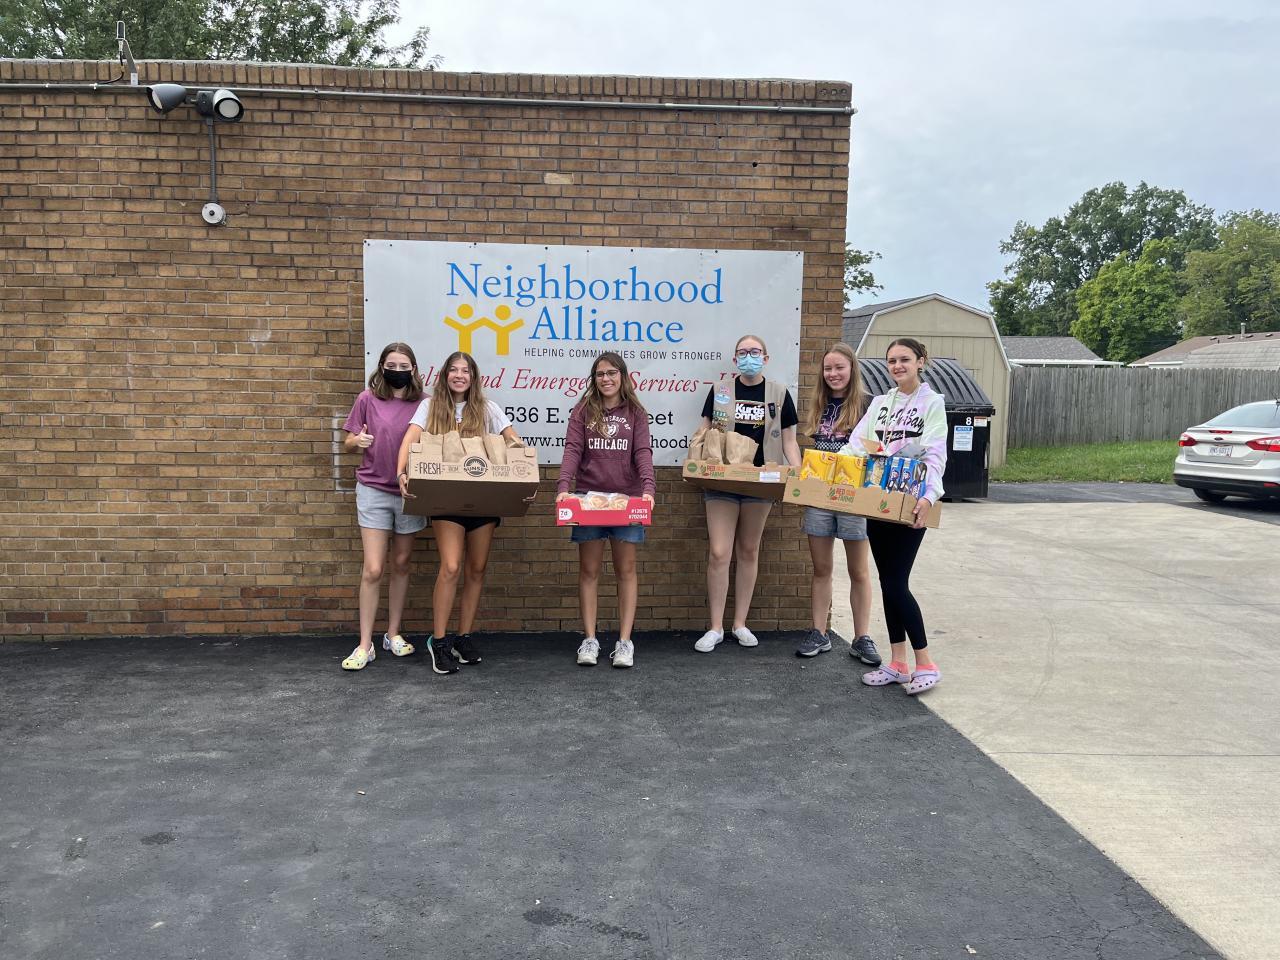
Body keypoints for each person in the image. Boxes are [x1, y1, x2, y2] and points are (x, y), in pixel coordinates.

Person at [397, 352, 521, 675]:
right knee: (451, 566)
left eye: (466, 371)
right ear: (445, 375)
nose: (459, 375)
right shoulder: (430, 406)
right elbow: (409, 439)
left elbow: (513, 442)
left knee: (476, 569)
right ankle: (438, 641)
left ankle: (463, 638)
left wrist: (524, 475)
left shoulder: (488, 408)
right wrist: (401, 473)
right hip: (446, 500)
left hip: (483, 500)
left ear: (473, 377)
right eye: (453, 370)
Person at [839, 337, 948, 694]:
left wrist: (929, 497)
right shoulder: (881, 404)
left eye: (904, 359)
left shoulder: (932, 403)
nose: (897, 366)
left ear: (921, 362)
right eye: (892, 361)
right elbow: (856, 444)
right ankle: (898, 663)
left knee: (897, 582)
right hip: (877, 502)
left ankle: (926, 663)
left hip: (911, 503)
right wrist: (832, 466)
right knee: (887, 582)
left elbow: (935, 454)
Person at [694, 334, 803, 653]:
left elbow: (789, 442)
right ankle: (715, 627)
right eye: (742, 352)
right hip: (723, 481)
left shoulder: (779, 393)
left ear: (766, 358)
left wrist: (798, 475)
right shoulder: (721, 391)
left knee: (749, 550)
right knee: (719, 552)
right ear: (735, 359)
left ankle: (739, 624)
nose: (748, 357)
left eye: (755, 352)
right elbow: (703, 432)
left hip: (761, 481)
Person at [556, 352, 656, 669]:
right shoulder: (583, 410)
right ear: (594, 379)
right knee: (589, 571)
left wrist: (649, 489)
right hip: (589, 500)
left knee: (626, 570)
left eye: (612, 373)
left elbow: (643, 452)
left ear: (623, 376)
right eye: (600, 374)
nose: (606, 379)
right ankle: (590, 639)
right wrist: (563, 487)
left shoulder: (636, 413)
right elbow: (573, 450)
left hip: (626, 501)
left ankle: (625, 642)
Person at [340, 343, 427, 671]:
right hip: (373, 490)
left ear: (413, 369)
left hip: (410, 493)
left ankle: (393, 633)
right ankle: (365, 644)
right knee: (374, 568)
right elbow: (347, 442)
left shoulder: (424, 403)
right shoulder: (367, 399)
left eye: (404, 366)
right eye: (392, 365)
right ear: (381, 367)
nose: (397, 371)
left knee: (401, 563)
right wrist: (356, 441)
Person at [795, 343, 879, 665]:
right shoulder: (819, 404)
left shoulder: (869, 404)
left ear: (852, 368)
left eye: (839, 367)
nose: (833, 374)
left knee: (859, 570)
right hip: (819, 495)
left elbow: (879, 451)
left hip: (854, 497)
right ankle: (819, 632)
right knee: (821, 568)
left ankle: (861, 638)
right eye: (828, 368)